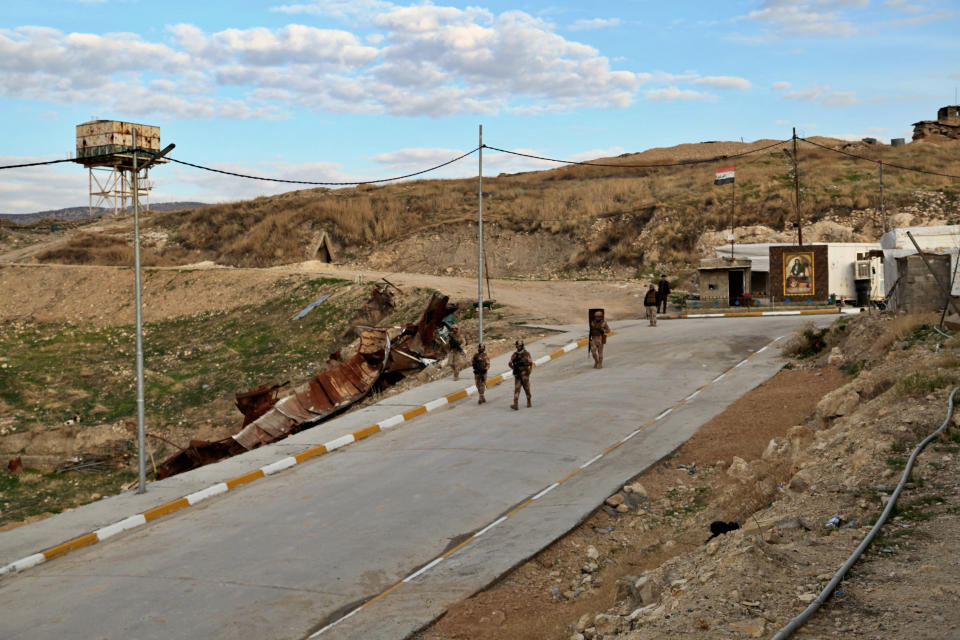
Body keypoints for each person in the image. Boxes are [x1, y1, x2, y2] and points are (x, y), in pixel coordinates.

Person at [509, 339, 533, 410]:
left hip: (525, 375)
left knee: (527, 389)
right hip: (518, 375)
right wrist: (514, 369)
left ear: (522, 346)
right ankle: (515, 404)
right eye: (517, 346)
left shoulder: (526, 354)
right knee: (517, 389)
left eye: (519, 346)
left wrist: (529, 371)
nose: (518, 347)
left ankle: (529, 401)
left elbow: (530, 363)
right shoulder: (514, 355)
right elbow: (510, 363)